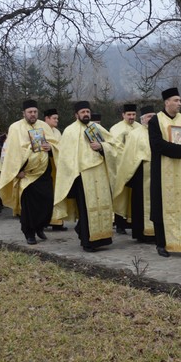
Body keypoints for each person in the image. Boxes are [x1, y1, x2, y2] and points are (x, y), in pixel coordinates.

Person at [51, 101, 119, 252]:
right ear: (76, 115)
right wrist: (73, 175)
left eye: (87, 112)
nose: (86, 114)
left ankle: (103, 238)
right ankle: (88, 242)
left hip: (100, 174)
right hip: (83, 176)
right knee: (86, 209)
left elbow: (114, 146)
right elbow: (66, 158)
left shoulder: (96, 128)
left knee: (102, 207)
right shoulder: (70, 131)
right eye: (82, 112)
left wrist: (101, 147)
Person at [0, 100, 56, 244]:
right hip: (27, 173)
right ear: (23, 113)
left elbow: (55, 144)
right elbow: (11, 151)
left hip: (44, 171)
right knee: (30, 207)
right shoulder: (16, 127)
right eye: (30, 112)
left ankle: (40, 227)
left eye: (35, 112)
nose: (33, 114)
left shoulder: (44, 126)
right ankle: (29, 233)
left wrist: (51, 148)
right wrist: (16, 171)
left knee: (47, 202)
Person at [149, 87, 181, 257]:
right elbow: (157, 144)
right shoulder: (156, 121)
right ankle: (162, 244)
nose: (179, 103)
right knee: (161, 207)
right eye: (176, 100)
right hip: (162, 170)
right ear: (167, 102)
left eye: (180, 101)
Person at [112, 105, 157, 243]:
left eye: (153, 116)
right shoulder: (135, 133)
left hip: (155, 172)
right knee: (139, 204)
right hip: (139, 173)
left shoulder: (157, 132)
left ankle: (155, 231)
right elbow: (127, 154)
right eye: (149, 117)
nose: (151, 119)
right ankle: (140, 232)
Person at [110, 103, 140, 234]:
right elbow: (116, 147)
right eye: (129, 114)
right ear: (123, 115)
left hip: (137, 167)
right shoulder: (116, 129)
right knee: (121, 194)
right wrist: (131, 158)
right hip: (121, 167)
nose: (131, 117)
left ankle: (132, 222)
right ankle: (120, 224)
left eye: (133, 114)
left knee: (134, 196)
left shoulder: (140, 128)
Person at [42, 108, 67, 232]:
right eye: (54, 118)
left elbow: (61, 147)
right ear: (46, 118)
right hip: (44, 167)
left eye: (57, 118)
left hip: (58, 167)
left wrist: (53, 148)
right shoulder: (40, 130)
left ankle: (57, 221)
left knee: (58, 193)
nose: (57, 120)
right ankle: (45, 221)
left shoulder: (57, 132)